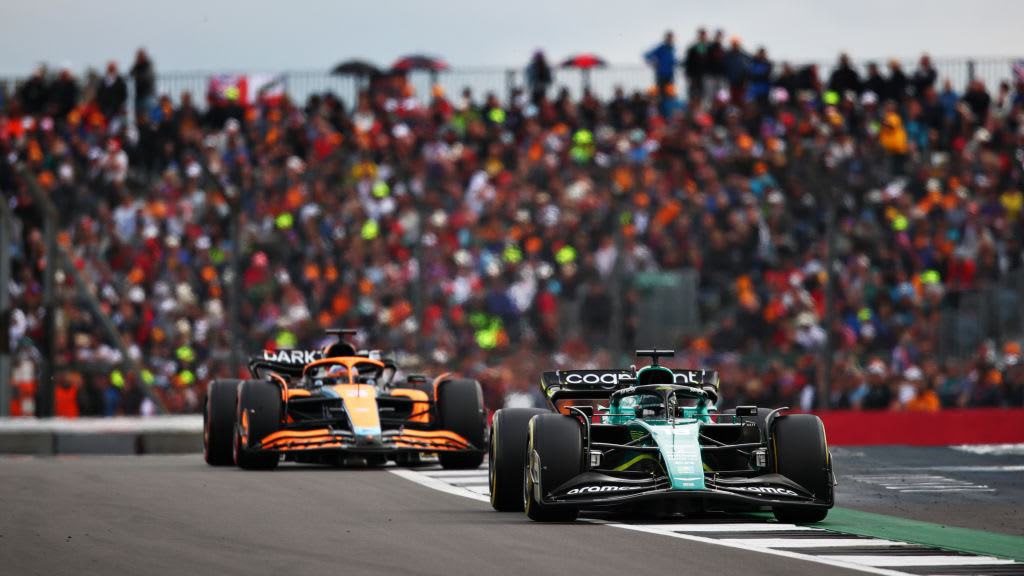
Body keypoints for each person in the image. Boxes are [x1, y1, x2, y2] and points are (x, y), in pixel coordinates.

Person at [645, 31, 677, 111]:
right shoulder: (660, 48)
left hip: (670, 76)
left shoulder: (672, 49)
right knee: (660, 96)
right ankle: (661, 111)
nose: (670, 39)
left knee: (670, 95)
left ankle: (668, 112)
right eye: (668, 37)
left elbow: (672, 61)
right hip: (661, 76)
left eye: (671, 38)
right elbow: (647, 55)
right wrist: (653, 63)